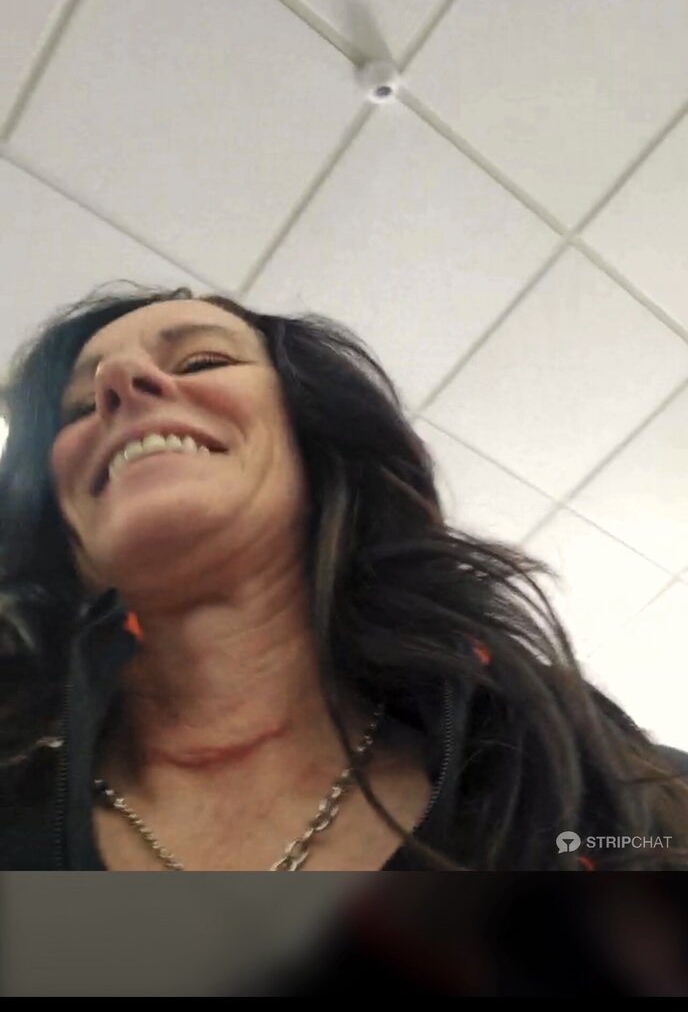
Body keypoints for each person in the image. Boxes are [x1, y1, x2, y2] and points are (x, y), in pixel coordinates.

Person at [0, 284, 686, 871]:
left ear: (320, 440)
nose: (119, 380)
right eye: (78, 408)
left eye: (203, 360)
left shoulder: (585, 773)